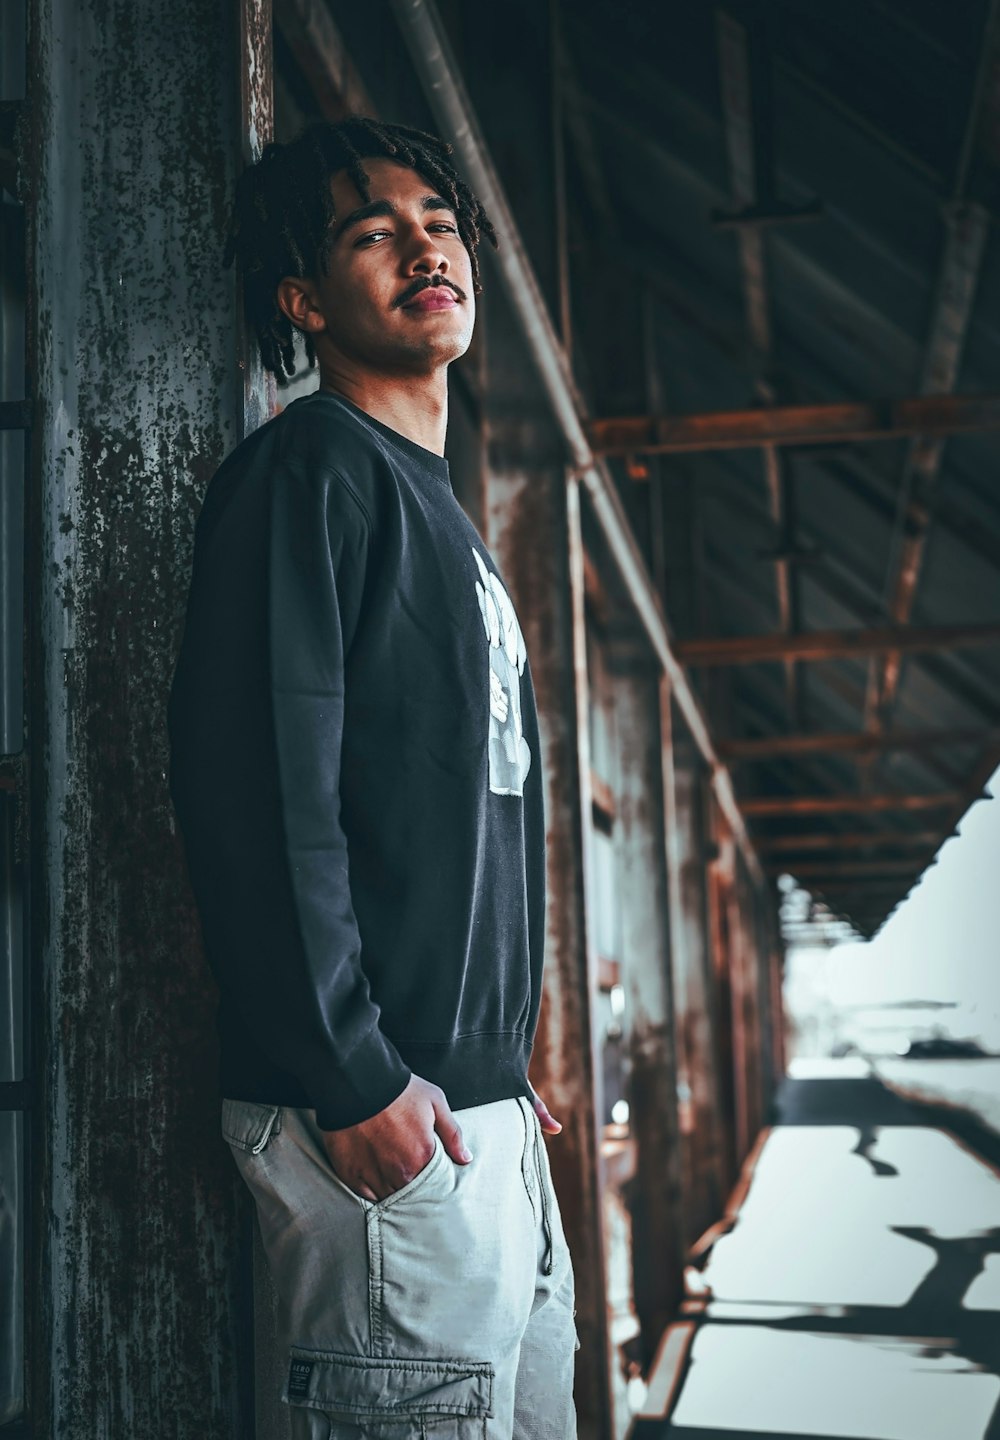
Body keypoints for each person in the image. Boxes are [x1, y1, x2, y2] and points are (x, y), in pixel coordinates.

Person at [167, 116, 579, 1438]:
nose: (425, 247)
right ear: (304, 298)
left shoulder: (436, 505)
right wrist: (355, 1080)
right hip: (385, 1136)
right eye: (373, 232)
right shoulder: (309, 475)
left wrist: (503, 1063)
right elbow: (258, 794)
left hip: (481, 1121)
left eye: (440, 223)